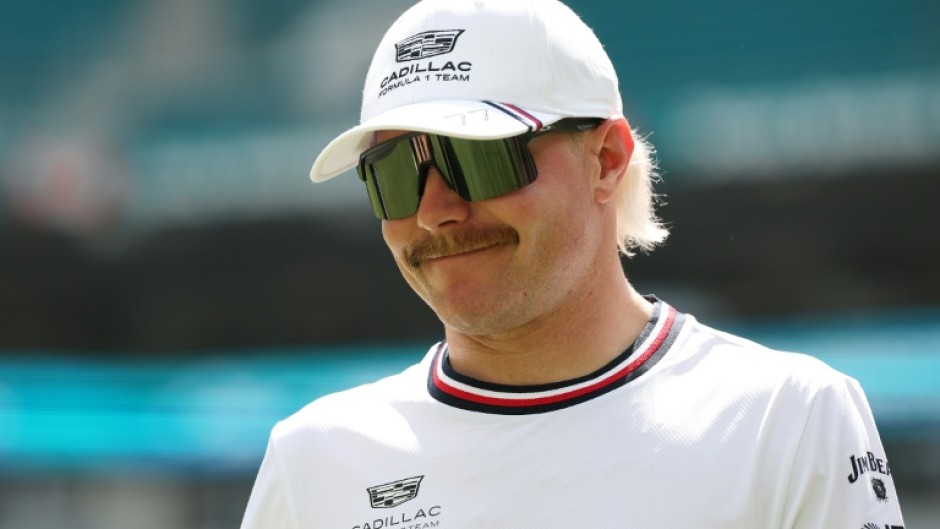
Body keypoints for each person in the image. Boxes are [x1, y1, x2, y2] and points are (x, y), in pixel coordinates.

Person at [241, 0, 906, 527]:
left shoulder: (789, 418)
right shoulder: (312, 461)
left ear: (606, 159)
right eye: (391, 175)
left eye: (478, 157)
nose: (435, 211)